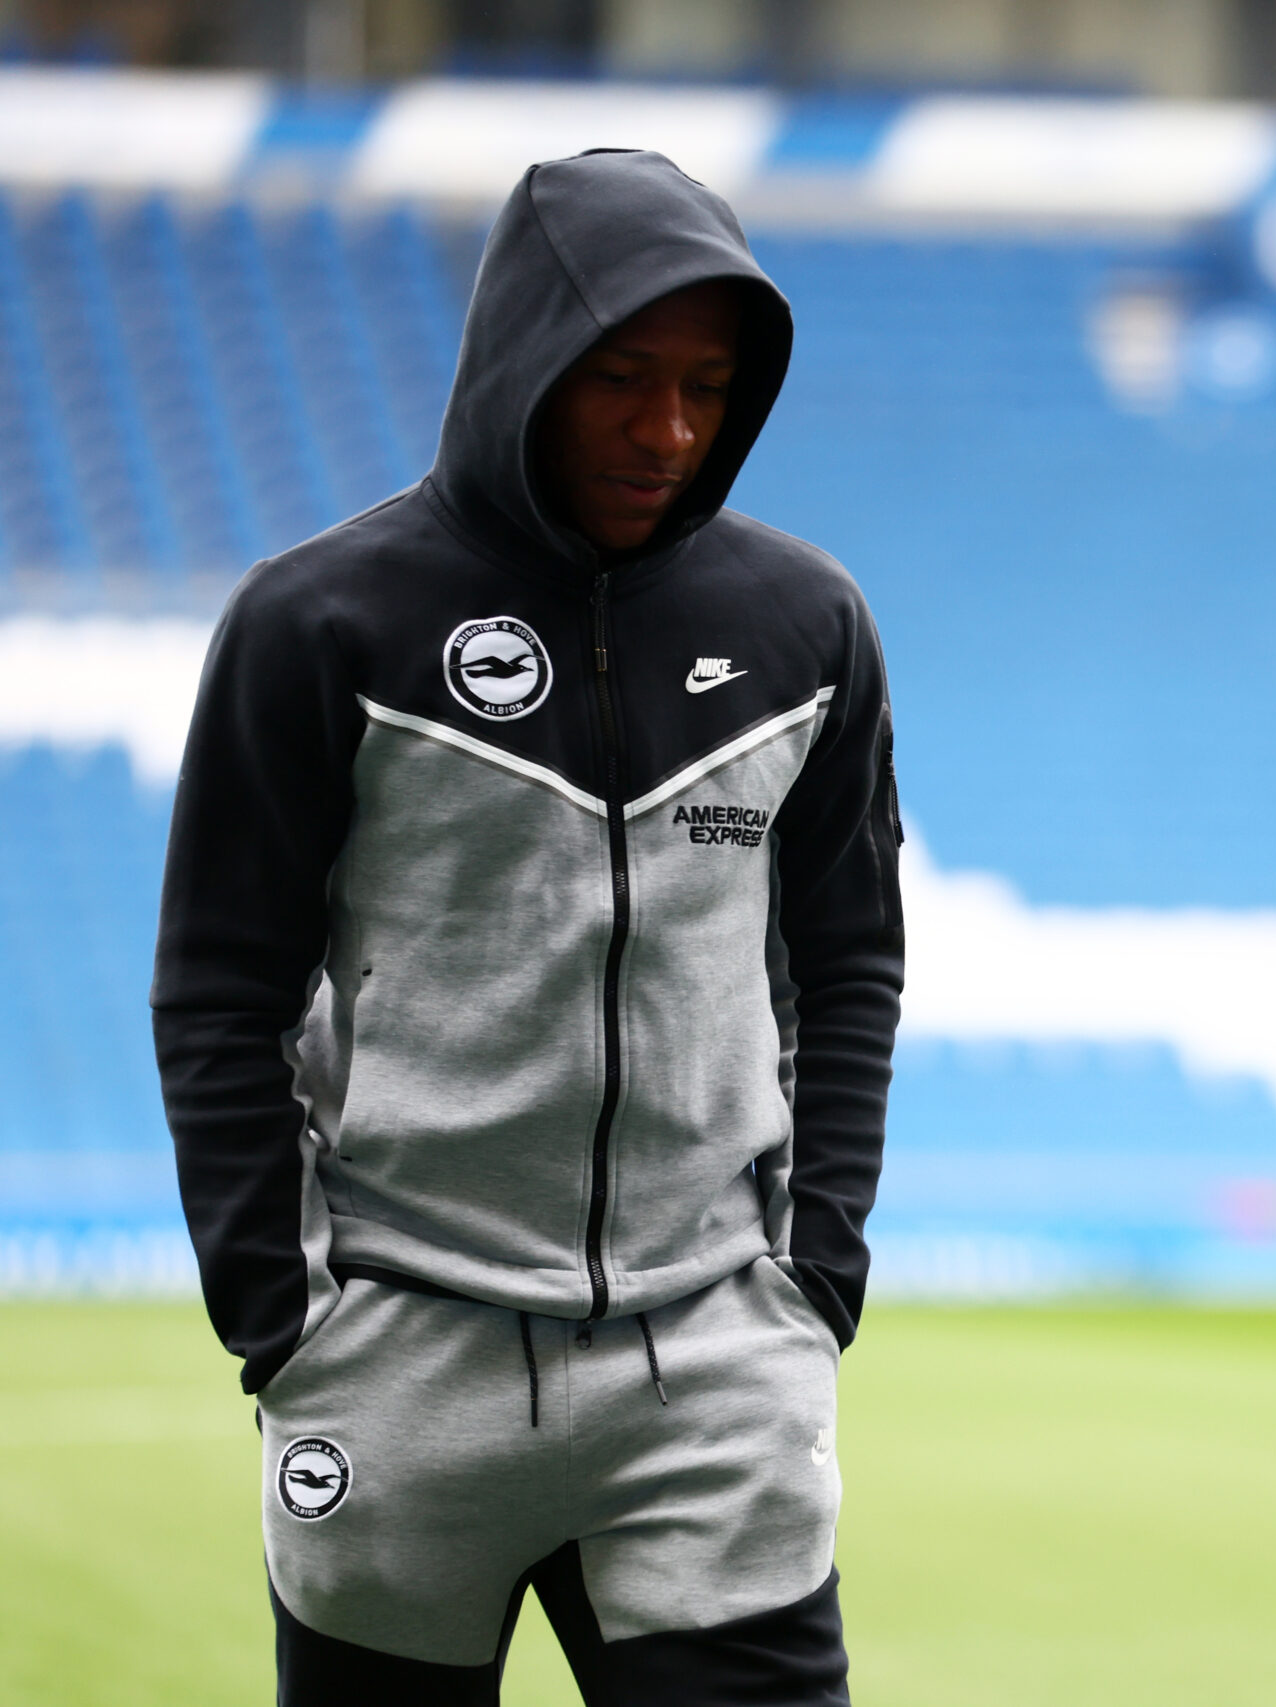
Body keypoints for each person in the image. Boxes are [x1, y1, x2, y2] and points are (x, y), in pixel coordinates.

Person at [151, 149, 902, 1706]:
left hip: (711, 1369)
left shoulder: (807, 630)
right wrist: (283, 1320)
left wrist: (811, 1275)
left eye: (707, 384)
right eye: (622, 376)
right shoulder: (318, 626)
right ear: (523, 362)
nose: (670, 429)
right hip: (401, 1368)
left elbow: (851, 965)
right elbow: (220, 991)